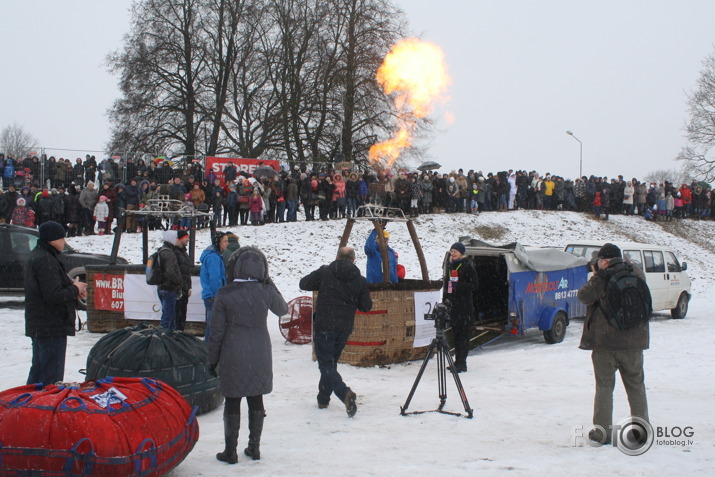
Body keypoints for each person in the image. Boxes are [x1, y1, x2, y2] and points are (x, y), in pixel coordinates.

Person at [209, 247, 288, 464]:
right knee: (256, 397)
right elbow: (283, 310)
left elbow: (215, 332)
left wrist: (211, 358)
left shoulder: (225, 293)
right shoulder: (266, 291)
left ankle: (230, 451)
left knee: (232, 400)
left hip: (233, 350)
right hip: (259, 350)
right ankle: (254, 448)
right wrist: (269, 282)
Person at [577, 243, 649, 445]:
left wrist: (598, 274)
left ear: (605, 261)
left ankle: (602, 433)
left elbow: (584, 296)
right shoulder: (636, 273)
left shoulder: (603, 277)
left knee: (604, 388)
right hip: (635, 342)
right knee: (636, 387)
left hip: (606, 343)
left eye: (599, 260)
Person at [299, 247, 372, 417]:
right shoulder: (359, 280)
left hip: (325, 323)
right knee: (330, 364)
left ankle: (344, 392)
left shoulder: (325, 272)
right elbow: (366, 306)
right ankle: (323, 399)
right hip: (344, 327)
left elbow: (303, 284)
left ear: (337, 257)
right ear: (354, 260)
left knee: (325, 364)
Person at [25, 221, 88, 385]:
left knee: (39, 373)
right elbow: (53, 295)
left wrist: (73, 288)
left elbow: (49, 289)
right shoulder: (45, 260)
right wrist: (74, 289)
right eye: (61, 238)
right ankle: (42, 407)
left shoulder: (43, 256)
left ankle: (29, 405)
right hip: (50, 326)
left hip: (44, 325)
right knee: (50, 377)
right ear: (52, 239)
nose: (64, 242)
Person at [442, 242, 478, 373]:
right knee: (456, 335)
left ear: (461, 253)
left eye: (455, 252)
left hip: (464, 306)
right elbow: (450, 285)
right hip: (455, 306)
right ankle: (457, 362)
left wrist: (459, 286)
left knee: (463, 336)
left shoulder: (467, 265)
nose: (453, 254)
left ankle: (462, 363)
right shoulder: (452, 265)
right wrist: (448, 296)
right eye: (451, 251)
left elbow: (474, 285)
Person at [200, 231, 228, 342]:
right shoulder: (213, 258)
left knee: (212, 325)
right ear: (218, 243)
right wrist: (219, 295)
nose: (227, 244)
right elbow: (215, 279)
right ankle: (208, 350)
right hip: (213, 296)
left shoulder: (215, 256)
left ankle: (208, 349)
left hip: (211, 295)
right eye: (225, 241)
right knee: (213, 326)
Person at [156, 230, 184, 330]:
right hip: (169, 288)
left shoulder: (162, 251)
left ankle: (168, 337)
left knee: (169, 315)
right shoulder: (169, 254)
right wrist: (179, 281)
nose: (177, 240)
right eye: (176, 238)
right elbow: (170, 272)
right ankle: (165, 338)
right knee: (168, 317)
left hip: (162, 287)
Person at [174, 229, 193, 331]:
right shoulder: (175, 253)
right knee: (177, 314)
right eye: (186, 237)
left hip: (184, 288)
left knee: (182, 314)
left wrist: (188, 286)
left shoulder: (184, 253)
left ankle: (180, 333)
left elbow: (187, 272)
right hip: (178, 289)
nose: (188, 239)